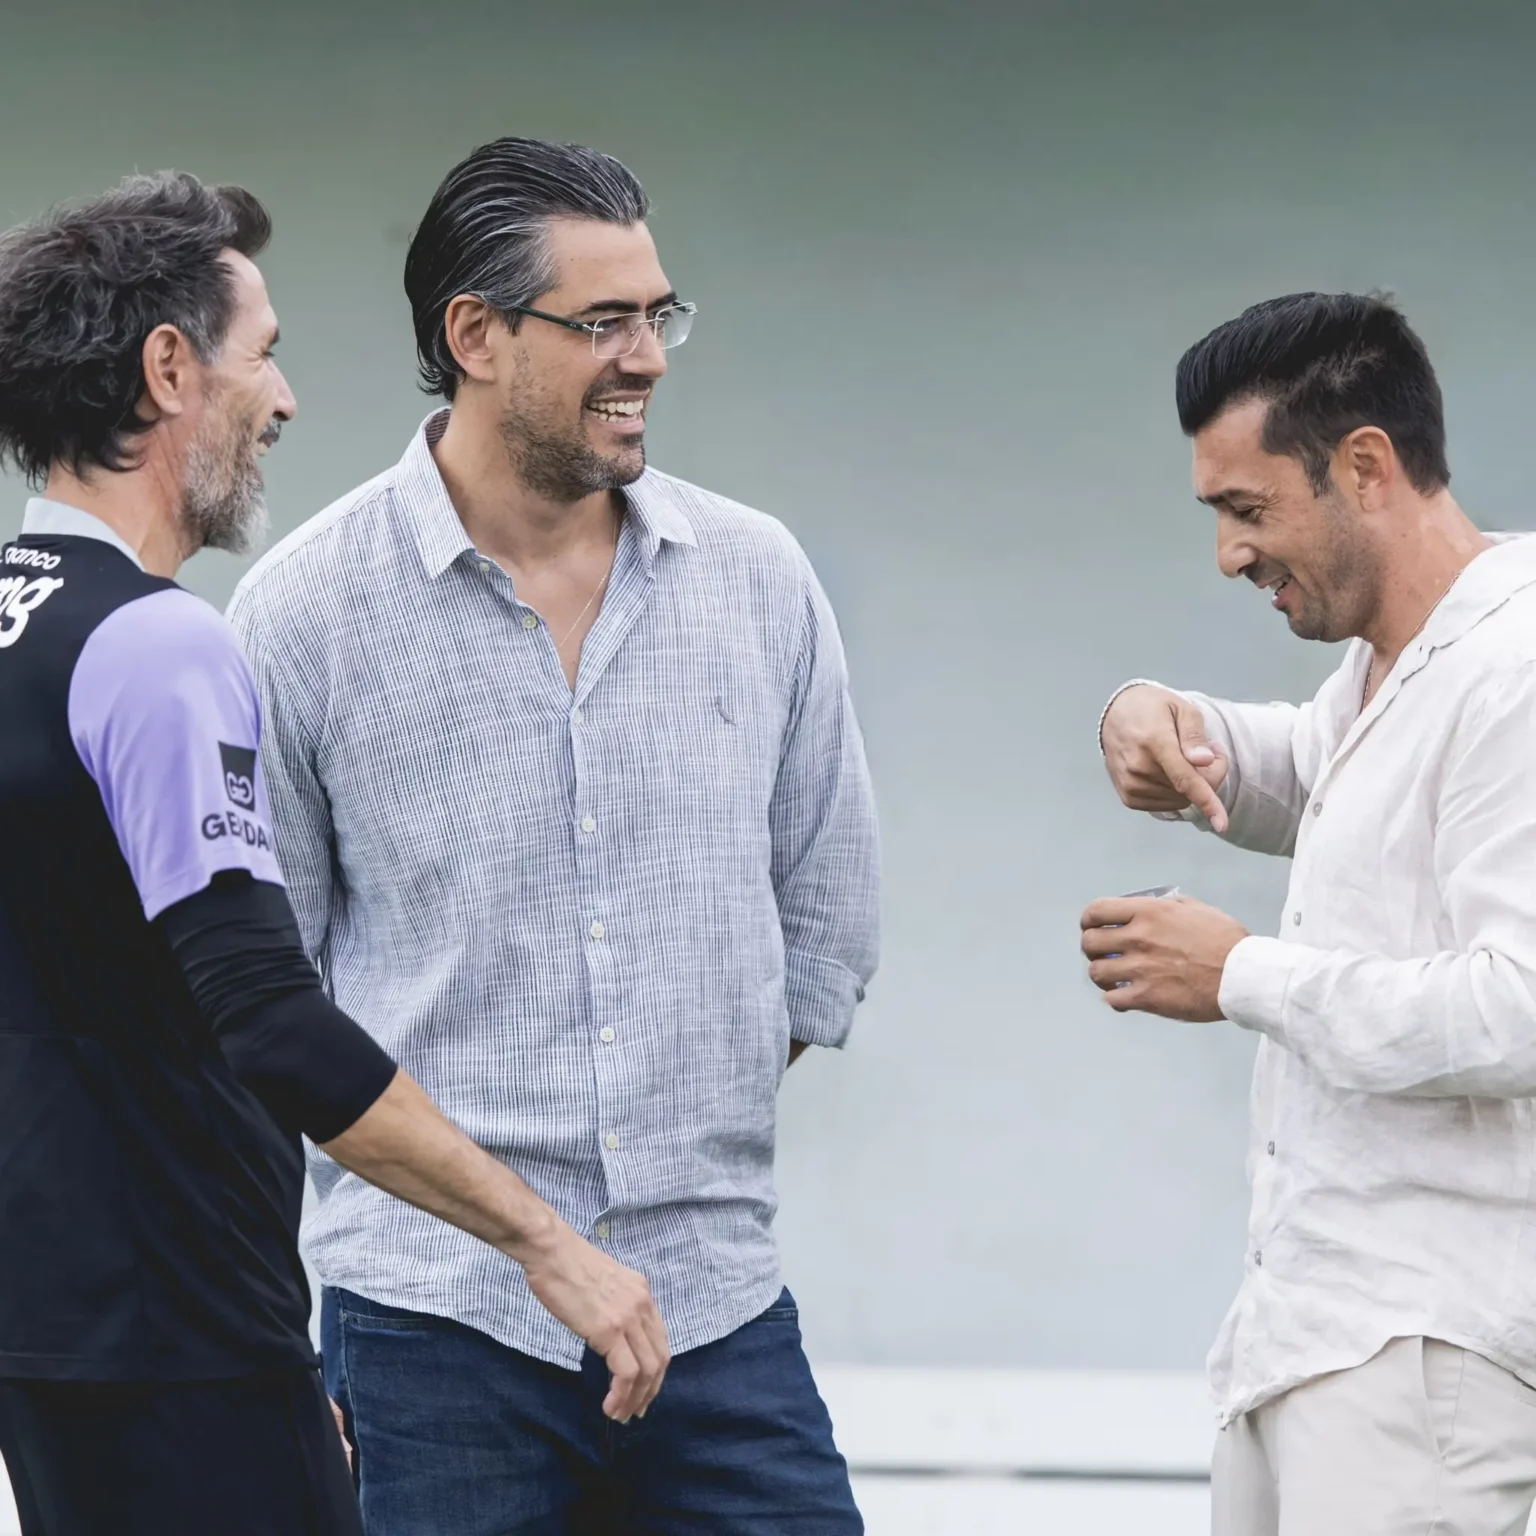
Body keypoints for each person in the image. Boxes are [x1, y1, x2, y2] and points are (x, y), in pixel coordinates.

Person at [227, 135, 880, 1534]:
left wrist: (660, 1140)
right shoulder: (300, 619)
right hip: (429, 1333)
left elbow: (822, 929)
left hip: (718, 1315)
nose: (646, 355)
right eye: (602, 322)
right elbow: (262, 1008)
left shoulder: (757, 582)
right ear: (474, 334)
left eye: (659, 315)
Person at [0, 170, 667, 1536]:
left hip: (54, 1330)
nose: (287, 399)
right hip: (180, 1329)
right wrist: (550, 1247)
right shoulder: (158, 644)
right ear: (169, 369)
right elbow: (271, 1021)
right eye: (267, 353)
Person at [1085, 291, 1536, 1534]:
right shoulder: (1395, 667)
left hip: (1429, 1360)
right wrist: (1152, 710)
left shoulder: (1518, 666)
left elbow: (1522, 1006)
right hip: (1312, 1341)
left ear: (1367, 466)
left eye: (1247, 509)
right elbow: (1319, 778)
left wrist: (1239, 974)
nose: (1229, 553)